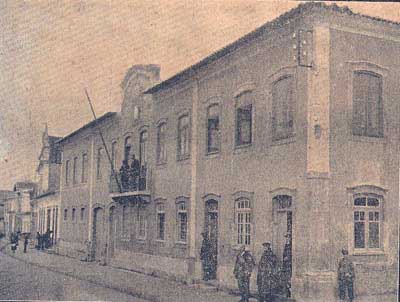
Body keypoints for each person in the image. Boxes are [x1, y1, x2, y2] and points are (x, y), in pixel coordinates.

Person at [281, 233, 292, 298]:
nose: (287, 239)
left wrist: (288, 257)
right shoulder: (286, 245)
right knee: (285, 279)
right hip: (285, 265)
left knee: (288, 279)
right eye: (286, 238)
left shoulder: (291, 246)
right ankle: (286, 292)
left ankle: (289, 293)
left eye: (288, 237)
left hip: (289, 265)